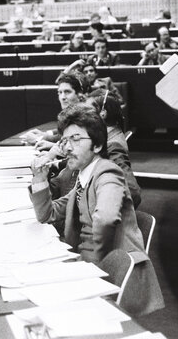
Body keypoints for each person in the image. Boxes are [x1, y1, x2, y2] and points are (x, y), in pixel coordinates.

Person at [28, 105, 149, 267]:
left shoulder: (108, 175)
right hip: (94, 264)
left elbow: (105, 220)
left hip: (115, 270)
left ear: (98, 145)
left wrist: (80, 263)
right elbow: (46, 214)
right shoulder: (84, 179)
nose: (68, 147)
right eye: (65, 140)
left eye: (76, 139)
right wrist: (40, 179)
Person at [86, 89, 141, 207]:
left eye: (87, 111)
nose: (83, 115)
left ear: (103, 113)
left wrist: (103, 210)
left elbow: (133, 193)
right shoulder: (106, 134)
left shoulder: (113, 145)